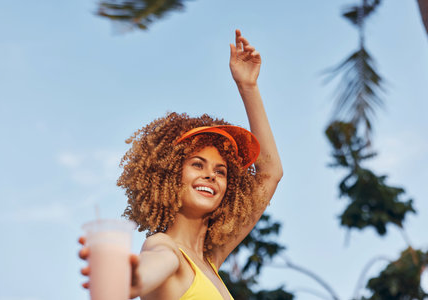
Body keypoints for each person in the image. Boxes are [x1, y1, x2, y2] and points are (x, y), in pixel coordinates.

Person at [79, 29, 283, 300]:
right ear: (169, 177)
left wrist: (248, 87)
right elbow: (154, 265)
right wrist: (131, 279)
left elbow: (270, 173)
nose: (210, 175)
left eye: (220, 171)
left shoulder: (211, 261)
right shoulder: (164, 247)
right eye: (198, 165)